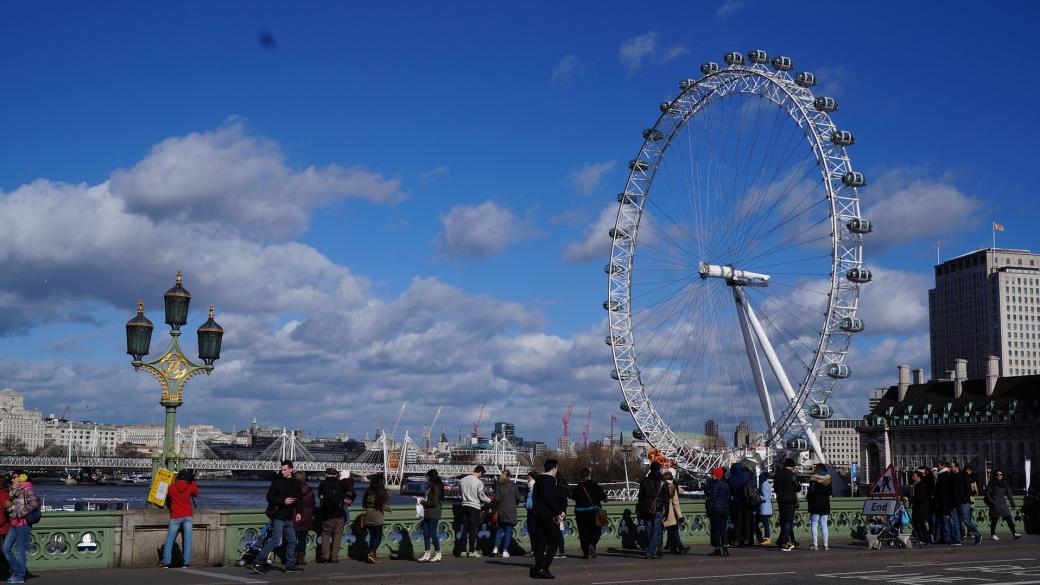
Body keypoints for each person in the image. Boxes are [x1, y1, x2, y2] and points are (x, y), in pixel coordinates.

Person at [249, 460, 302, 574]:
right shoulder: (277, 482)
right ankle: (257, 562)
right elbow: (269, 497)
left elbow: (298, 498)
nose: (282, 471)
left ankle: (289, 565)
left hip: (289, 516)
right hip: (278, 516)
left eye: (285, 469)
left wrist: (299, 512)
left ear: (291, 470)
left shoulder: (296, 483)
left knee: (292, 540)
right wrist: (284, 501)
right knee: (275, 541)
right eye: (282, 469)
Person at [530, 459, 563, 580]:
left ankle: (537, 569)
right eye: (556, 468)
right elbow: (550, 499)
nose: (557, 471)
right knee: (555, 540)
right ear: (554, 468)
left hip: (538, 515)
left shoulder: (537, 480)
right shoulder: (550, 480)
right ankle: (544, 567)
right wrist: (559, 511)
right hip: (549, 515)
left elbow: (535, 498)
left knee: (541, 543)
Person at [4, 471, 39, 584]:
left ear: (21, 477)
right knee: (6, 548)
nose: (12, 480)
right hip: (14, 523)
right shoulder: (15, 490)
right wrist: (11, 508)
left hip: (23, 524)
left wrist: (19, 512)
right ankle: (17, 572)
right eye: (11, 478)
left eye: (14, 477)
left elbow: (33, 504)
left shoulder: (27, 488)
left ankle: (19, 576)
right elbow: (16, 504)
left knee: (20, 552)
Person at [162, 468, 198, 568]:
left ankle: (166, 562)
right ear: (187, 479)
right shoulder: (190, 486)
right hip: (187, 516)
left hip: (175, 516)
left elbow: (168, 496)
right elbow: (196, 493)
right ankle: (186, 563)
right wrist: (193, 481)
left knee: (169, 540)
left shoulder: (171, 488)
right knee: (187, 540)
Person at [636, 461, 669, 559]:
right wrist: (666, 512)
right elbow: (666, 499)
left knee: (648, 529)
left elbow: (640, 496)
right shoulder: (663, 482)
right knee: (656, 530)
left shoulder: (645, 481)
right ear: (659, 469)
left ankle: (649, 549)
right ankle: (651, 551)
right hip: (658, 509)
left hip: (646, 508)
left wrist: (639, 508)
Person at [572, 467, 606, 559]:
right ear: (589, 475)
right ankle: (592, 543)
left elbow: (573, 497)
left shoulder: (577, 488)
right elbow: (603, 497)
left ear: (581, 476)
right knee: (597, 530)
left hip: (580, 512)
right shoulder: (596, 486)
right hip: (594, 511)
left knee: (583, 532)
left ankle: (585, 553)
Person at [459, 465, 490, 557]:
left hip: (464, 506)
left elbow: (460, 493)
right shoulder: (479, 482)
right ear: (480, 472)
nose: (482, 475)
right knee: (473, 530)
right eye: (482, 473)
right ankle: (472, 551)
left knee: (465, 529)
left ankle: (463, 551)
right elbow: (481, 495)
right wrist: (489, 500)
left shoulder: (462, 480)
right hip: (474, 507)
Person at [317, 468, 346, 563]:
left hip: (327, 513)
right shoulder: (341, 484)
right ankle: (334, 557)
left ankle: (325, 555)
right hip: (340, 513)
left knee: (325, 533)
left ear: (326, 474)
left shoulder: (322, 485)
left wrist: (322, 505)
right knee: (338, 534)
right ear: (336, 475)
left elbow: (320, 497)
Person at [950, 462, 982, 545]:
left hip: (963, 502)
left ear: (957, 467)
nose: (950, 468)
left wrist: (964, 499)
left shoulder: (964, 476)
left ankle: (977, 534)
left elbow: (969, 490)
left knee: (966, 521)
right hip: (954, 502)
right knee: (954, 521)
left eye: (951, 467)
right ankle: (957, 540)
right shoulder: (952, 476)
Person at [984, 469, 1022, 540]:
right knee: (994, 520)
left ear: (1003, 475)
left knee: (1008, 518)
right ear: (996, 475)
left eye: (1000, 474)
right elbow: (987, 493)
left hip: (1003, 504)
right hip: (995, 504)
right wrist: (992, 502)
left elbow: (1009, 496)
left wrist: (1014, 506)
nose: (999, 476)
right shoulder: (992, 483)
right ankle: (993, 534)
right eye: (998, 474)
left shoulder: (1005, 484)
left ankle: (1014, 534)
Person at [362, 472, 391, 564]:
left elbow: (364, 505)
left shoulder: (367, 491)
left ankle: (372, 556)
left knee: (372, 537)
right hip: (377, 517)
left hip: (368, 516)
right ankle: (371, 553)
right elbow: (383, 506)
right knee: (378, 537)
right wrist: (389, 509)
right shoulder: (381, 492)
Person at [726, 461, 755, 547]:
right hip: (748, 501)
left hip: (737, 502)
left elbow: (729, 492)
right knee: (748, 521)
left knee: (738, 522)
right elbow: (753, 485)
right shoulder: (748, 474)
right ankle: (747, 539)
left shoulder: (731, 478)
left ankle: (737, 540)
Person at [418, 469, 444, 562]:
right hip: (427, 512)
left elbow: (434, 502)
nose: (427, 478)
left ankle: (438, 553)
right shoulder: (431, 486)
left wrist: (422, 501)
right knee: (425, 533)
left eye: (427, 477)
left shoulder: (436, 487)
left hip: (433, 513)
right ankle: (427, 553)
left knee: (432, 533)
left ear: (430, 477)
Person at [492, 470, 519, 558]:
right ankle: (505, 551)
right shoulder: (514, 486)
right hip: (511, 511)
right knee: (508, 531)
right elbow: (517, 498)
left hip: (501, 511)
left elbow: (497, 500)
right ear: (509, 476)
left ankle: (495, 549)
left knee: (499, 530)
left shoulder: (499, 486)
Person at [705, 466, 731, 556]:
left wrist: (709, 510)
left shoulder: (714, 485)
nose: (712, 475)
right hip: (725, 509)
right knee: (723, 529)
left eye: (713, 474)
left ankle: (717, 549)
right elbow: (728, 498)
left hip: (716, 510)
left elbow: (712, 499)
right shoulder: (726, 485)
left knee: (715, 530)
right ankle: (725, 549)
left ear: (717, 475)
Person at [774, 458, 799, 551]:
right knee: (788, 522)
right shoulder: (792, 475)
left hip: (781, 500)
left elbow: (775, 488)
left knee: (783, 521)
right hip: (790, 501)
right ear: (792, 466)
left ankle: (790, 540)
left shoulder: (777, 475)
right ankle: (784, 541)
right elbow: (798, 488)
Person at [292, 471, 316, 565]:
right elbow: (312, 504)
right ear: (304, 478)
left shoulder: (292, 489)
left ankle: (292, 557)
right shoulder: (309, 490)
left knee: (292, 537)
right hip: (306, 516)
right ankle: (301, 559)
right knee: (303, 537)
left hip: (294, 515)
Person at [807, 464, 832, 551]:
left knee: (814, 524)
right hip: (825, 504)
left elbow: (810, 492)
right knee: (824, 525)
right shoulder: (828, 479)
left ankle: (815, 544)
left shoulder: (813, 479)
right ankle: (826, 545)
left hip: (815, 503)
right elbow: (830, 492)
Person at [662, 470, 687, 554]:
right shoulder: (672, 487)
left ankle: (673, 548)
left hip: (662, 512)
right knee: (675, 530)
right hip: (671, 513)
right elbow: (675, 503)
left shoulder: (661, 486)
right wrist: (680, 516)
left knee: (671, 531)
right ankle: (680, 547)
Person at [933, 460, 957, 544]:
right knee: (943, 521)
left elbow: (943, 492)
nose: (937, 467)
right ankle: (944, 537)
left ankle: (946, 537)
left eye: (939, 466)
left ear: (942, 466)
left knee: (943, 521)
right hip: (944, 502)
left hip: (942, 503)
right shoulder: (946, 475)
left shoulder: (943, 476)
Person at [909, 470, 932, 545]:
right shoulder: (916, 484)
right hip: (918, 506)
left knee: (920, 523)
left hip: (922, 507)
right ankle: (923, 539)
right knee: (918, 523)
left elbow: (920, 496)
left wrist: (911, 498)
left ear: (918, 477)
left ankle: (925, 539)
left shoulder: (921, 485)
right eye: (912, 476)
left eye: (914, 476)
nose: (912, 478)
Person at [554, 474, 571, 558]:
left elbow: (562, 502)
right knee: (559, 532)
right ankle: (560, 551)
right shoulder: (565, 488)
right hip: (562, 513)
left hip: (559, 513)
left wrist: (561, 512)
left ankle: (560, 551)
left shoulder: (559, 489)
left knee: (558, 532)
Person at [756, 471, 773, 545]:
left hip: (764, 508)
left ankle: (767, 538)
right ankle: (765, 538)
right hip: (767, 508)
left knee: (765, 524)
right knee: (765, 523)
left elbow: (765, 498)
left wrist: (758, 496)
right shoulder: (767, 484)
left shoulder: (763, 485)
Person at [0, 475, 10, 581]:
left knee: (3, 551)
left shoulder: (3, 495)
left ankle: (5, 572)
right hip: (4, 527)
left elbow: (3, 514)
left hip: (3, 528)